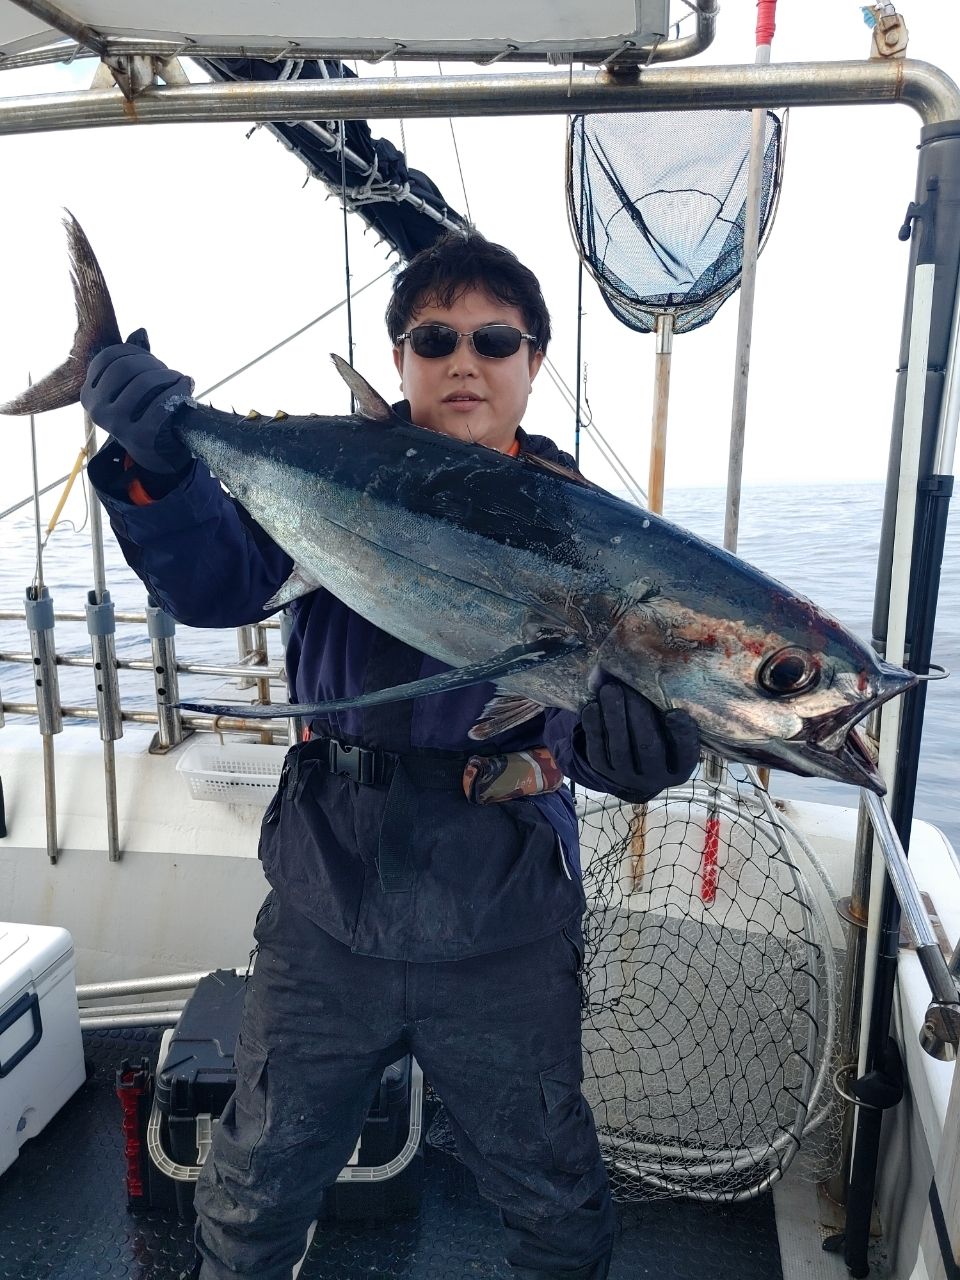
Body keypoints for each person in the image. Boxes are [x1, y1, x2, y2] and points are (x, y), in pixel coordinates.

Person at [83, 231, 700, 1280]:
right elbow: (216, 587)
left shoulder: (595, 532)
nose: (466, 359)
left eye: (495, 338)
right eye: (436, 337)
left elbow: (635, 710)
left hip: (504, 901)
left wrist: (647, 745)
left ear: (534, 359)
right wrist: (159, 472)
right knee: (259, 1173)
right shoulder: (339, 473)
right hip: (332, 887)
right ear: (402, 356)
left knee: (551, 1190)